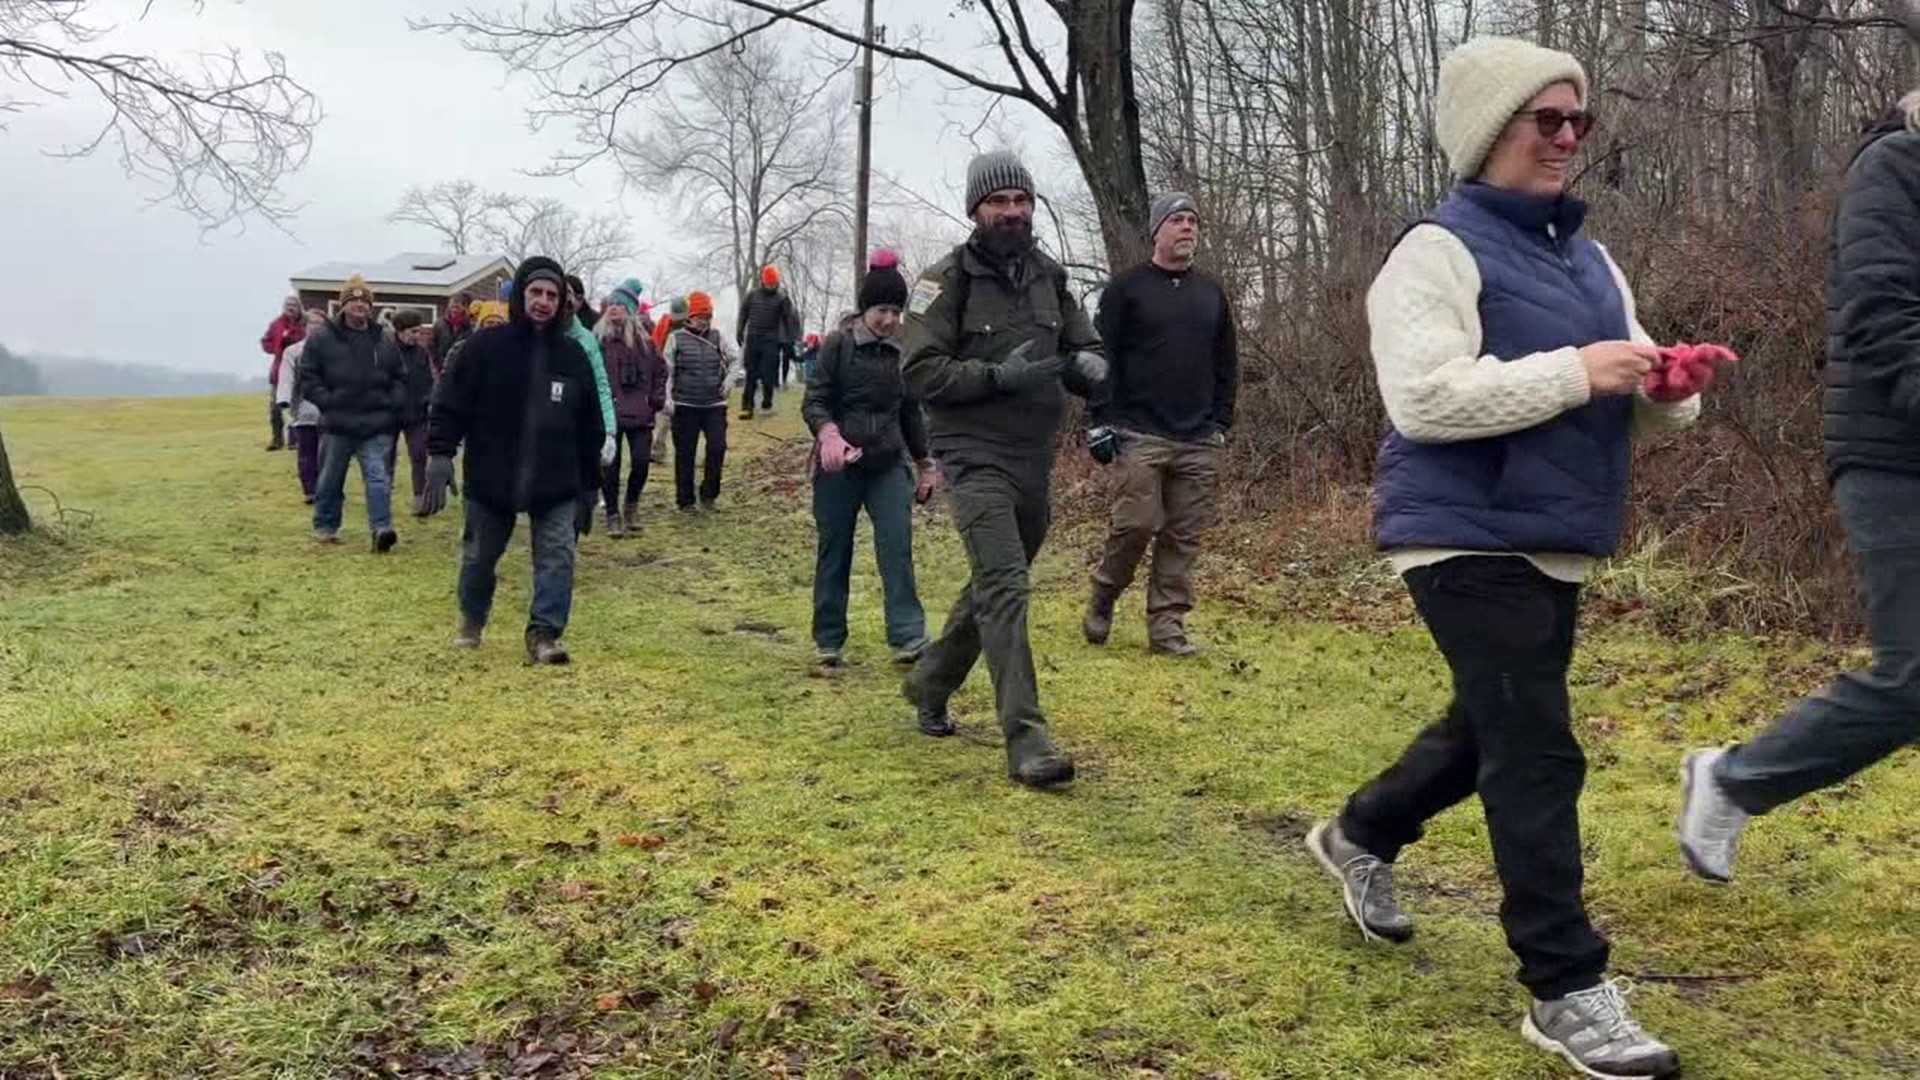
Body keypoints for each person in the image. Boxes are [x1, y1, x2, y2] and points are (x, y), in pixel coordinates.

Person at [1300, 39, 1714, 1080]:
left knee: (1488, 723)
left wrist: (1666, 389)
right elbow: (1425, 399)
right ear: (1490, 131)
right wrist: (1579, 370)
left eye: (1579, 122)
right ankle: (1566, 988)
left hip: (1555, 535)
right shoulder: (1431, 253)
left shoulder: (1592, 259)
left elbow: (1635, 395)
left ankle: (1360, 834)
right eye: (1547, 121)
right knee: (1534, 748)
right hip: (1458, 529)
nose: (1568, 140)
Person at [1676, 92, 1920, 886]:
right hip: (1895, 458)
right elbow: (1882, 316)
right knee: (1914, 676)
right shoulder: (1896, 166)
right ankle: (1734, 778)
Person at [898, 150, 1107, 787]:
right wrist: (996, 376)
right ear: (975, 211)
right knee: (1008, 585)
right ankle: (1026, 737)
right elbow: (918, 371)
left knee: (993, 583)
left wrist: (1093, 371)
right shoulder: (943, 282)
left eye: (1021, 200)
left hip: (1033, 458)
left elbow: (1084, 344)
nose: (1012, 212)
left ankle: (930, 681)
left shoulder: (1050, 275)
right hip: (972, 453)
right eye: (999, 202)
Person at [420, 256, 605, 665]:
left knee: (558, 556)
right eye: (536, 292)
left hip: (556, 481)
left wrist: (590, 486)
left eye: (552, 295)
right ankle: (472, 618)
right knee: (479, 557)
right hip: (492, 478)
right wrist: (440, 453)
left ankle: (544, 634)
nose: (543, 301)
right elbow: (450, 403)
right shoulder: (485, 347)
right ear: (521, 296)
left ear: (562, 303)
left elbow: (589, 425)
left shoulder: (574, 356)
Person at [1083, 192, 1240, 657]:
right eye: (1178, 220)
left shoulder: (1211, 293)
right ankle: (1104, 595)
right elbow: (1098, 359)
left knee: (1182, 536)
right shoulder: (1126, 290)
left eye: (1193, 220)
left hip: (1199, 439)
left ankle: (1167, 627)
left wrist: (1220, 421)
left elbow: (1227, 361)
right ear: (1157, 231)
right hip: (1138, 433)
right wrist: (1099, 421)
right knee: (1137, 523)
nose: (1188, 227)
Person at [803, 257, 935, 669]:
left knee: (897, 547)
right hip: (838, 469)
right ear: (865, 310)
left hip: (888, 464)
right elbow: (815, 401)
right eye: (882, 311)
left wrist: (925, 462)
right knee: (834, 549)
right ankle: (829, 639)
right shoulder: (837, 346)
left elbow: (911, 412)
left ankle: (908, 635)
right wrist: (828, 434)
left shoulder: (903, 353)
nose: (890, 320)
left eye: (896, 312)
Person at [297, 274, 407, 552]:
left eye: (365, 302)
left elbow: (399, 376)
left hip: (375, 423)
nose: (360, 306)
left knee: (378, 478)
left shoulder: (384, 340)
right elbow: (308, 377)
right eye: (354, 301)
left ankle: (381, 529)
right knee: (331, 479)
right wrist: (329, 401)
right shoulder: (322, 338)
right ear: (343, 305)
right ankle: (326, 527)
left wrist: (391, 403)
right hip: (338, 423)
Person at [596, 279, 668, 536]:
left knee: (640, 462)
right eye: (611, 304)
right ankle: (612, 514)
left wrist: (656, 400)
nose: (614, 308)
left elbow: (661, 371)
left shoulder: (645, 343)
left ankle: (632, 506)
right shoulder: (599, 341)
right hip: (609, 414)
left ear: (629, 309)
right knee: (609, 467)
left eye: (619, 304)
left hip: (641, 411)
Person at [663, 291, 737, 512]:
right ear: (690, 316)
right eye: (701, 316)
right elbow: (667, 372)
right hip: (685, 405)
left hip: (715, 404)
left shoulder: (718, 336)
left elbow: (735, 360)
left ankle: (709, 495)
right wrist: (667, 399)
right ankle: (685, 501)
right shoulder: (675, 339)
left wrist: (729, 382)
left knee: (717, 447)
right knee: (685, 453)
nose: (705, 320)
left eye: (708, 316)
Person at [386, 310, 436, 515]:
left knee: (419, 454)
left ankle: (420, 499)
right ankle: (382, 496)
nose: (417, 335)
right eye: (413, 331)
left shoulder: (421, 353)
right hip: (389, 413)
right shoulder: (385, 351)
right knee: (386, 456)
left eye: (419, 331)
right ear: (400, 331)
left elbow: (428, 379)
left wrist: (428, 398)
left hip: (416, 413)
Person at [279, 308, 328, 504]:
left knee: (327, 454)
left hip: (330, 411)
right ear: (305, 326)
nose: (316, 328)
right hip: (305, 411)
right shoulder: (294, 352)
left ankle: (326, 487)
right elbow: (286, 379)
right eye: (312, 323)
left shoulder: (336, 351)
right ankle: (310, 490)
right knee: (307, 453)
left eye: (320, 324)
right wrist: (285, 402)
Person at [736, 265, 799, 418]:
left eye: (774, 284)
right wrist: (739, 330)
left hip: (771, 340)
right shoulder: (752, 295)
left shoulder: (782, 298)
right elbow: (743, 313)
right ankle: (747, 406)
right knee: (751, 373)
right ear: (763, 282)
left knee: (768, 372)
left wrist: (790, 340)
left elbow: (789, 319)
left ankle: (767, 400)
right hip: (753, 337)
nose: (771, 286)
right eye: (768, 283)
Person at [260, 294, 306, 451]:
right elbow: (265, 341)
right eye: (288, 305)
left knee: (296, 407)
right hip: (279, 371)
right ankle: (277, 439)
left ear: (299, 307)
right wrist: (276, 349)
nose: (290, 307)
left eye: (293, 304)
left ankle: (294, 440)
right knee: (275, 407)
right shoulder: (276, 324)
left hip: (299, 370)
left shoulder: (305, 324)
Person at [432, 291, 475, 379]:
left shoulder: (471, 326)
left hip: (463, 369)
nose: (454, 310)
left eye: (457, 307)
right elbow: (432, 346)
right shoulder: (440, 324)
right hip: (442, 369)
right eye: (452, 307)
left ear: (465, 308)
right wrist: (436, 366)